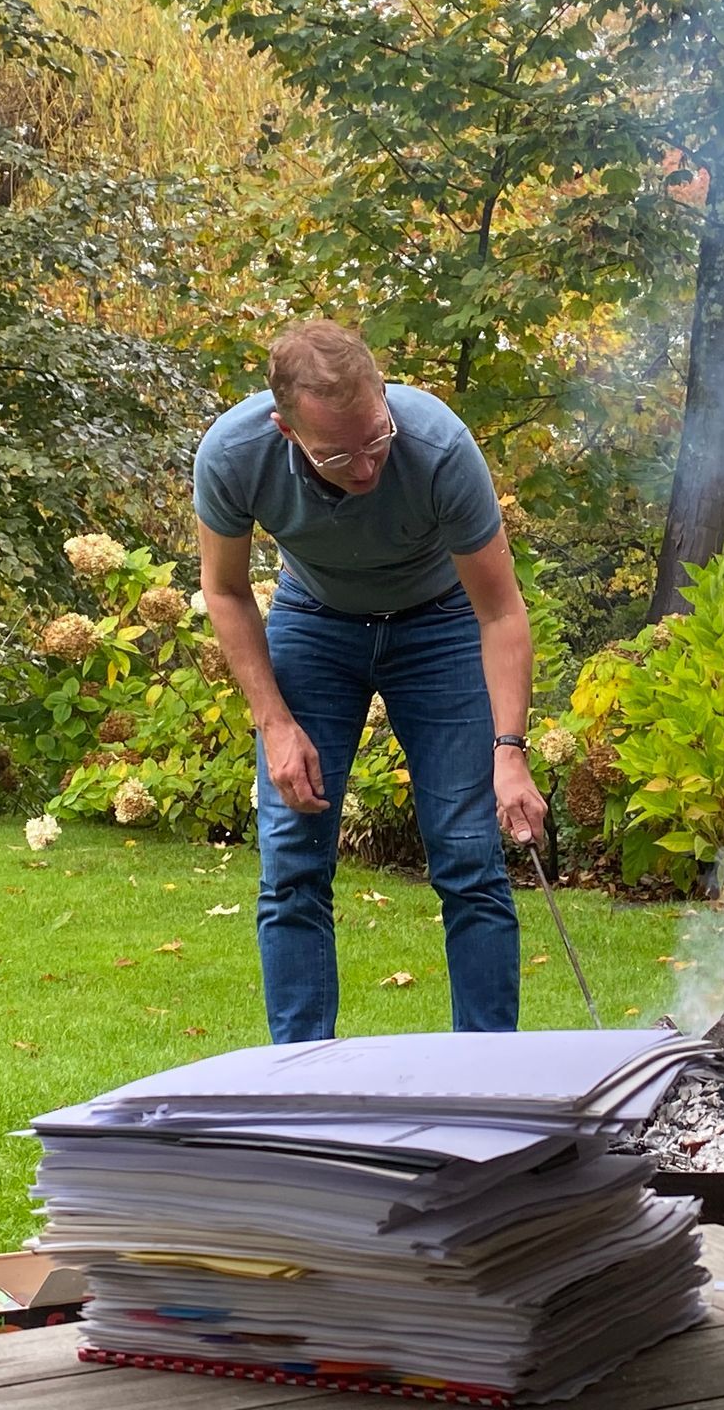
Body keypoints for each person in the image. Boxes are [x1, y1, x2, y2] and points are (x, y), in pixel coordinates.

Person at [192, 319, 547, 1043]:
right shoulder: (233, 456)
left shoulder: (439, 446)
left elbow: (501, 612)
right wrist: (276, 724)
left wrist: (509, 751)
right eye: (337, 454)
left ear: (383, 394)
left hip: (440, 622)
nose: (364, 470)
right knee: (292, 857)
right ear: (286, 431)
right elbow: (225, 592)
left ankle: (488, 1081)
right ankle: (301, 1083)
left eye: (376, 438)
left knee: (469, 854)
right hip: (314, 622)